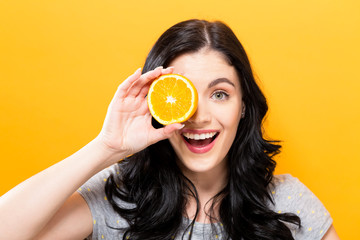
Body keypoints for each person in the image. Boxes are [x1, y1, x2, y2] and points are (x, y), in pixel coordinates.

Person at [0, 19, 340, 240]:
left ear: (244, 107)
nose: (199, 116)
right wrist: (105, 147)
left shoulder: (287, 203)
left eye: (219, 94)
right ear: (157, 104)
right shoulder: (115, 199)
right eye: (183, 95)